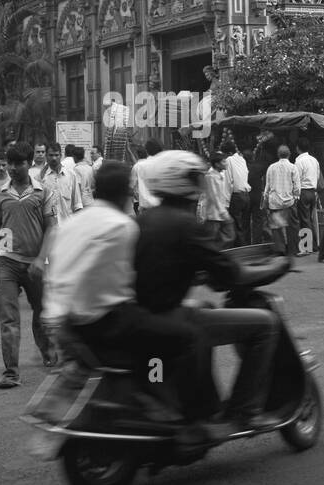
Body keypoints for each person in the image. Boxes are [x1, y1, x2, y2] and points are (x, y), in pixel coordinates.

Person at [43, 161, 215, 430]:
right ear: (126, 194)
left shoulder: (69, 224)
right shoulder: (123, 226)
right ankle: (168, 400)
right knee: (186, 337)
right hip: (108, 321)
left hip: (67, 322)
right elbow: (139, 279)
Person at [134, 150, 289, 433]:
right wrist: (278, 267)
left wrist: (200, 273)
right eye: (197, 179)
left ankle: (206, 404)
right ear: (184, 182)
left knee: (205, 309)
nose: (201, 186)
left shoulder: (145, 219)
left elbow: (174, 266)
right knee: (266, 326)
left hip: (145, 316)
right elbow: (232, 275)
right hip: (169, 317)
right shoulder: (186, 224)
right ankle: (244, 410)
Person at [0, 142, 57, 387]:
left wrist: (41, 259)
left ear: (29, 164)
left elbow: (51, 227)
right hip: (7, 262)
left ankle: (48, 350)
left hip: (35, 265)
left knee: (42, 313)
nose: (14, 168)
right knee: (8, 319)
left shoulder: (43, 192)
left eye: (20, 163)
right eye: (11, 163)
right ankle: (11, 372)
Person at [263, 144, 300, 256]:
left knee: (277, 227)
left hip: (275, 202)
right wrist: (296, 197)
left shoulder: (271, 167)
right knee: (292, 227)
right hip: (289, 202)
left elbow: (267, 186)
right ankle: (293, 250)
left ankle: (280, 250)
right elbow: (297, 187)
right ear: (289, 154)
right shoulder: (293, 167)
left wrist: (265, 199)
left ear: (278, 155)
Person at [40, 141, 84, 224]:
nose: (54, 158)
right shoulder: (41, 178)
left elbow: (77, 204)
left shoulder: (71, 175)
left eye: (56, 155)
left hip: (67, 226)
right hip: (49, 227)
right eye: (51, 155)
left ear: (61, 156)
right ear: (46, 156)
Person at [294, 138, 322, 254]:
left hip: (303, 192)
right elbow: (318, 175)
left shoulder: (299, 161)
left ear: (298, 148)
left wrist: (295, 195)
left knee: (304, 220)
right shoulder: (314, 160)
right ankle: (314, 246)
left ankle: (307, 247)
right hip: (312, 192)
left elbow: (297, 179)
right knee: (309, 219)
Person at [222, 139, 252, 246]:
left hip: (236, 197)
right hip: (246, 195)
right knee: (245, 225)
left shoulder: (229, 160)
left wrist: (225, 203)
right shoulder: (242, 159)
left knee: (237, 226)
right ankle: (247, 247)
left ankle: (240, 251)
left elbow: (228, 181)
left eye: (224, 155)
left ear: (229, 153)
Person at [203, 151, 234, 248]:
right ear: (217, 164)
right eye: (223, 162)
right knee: (213, 240)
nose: (226, 163)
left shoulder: (221, 174)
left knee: (228, 236)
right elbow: (214, 196)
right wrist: (223, 211)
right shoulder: (210, 176)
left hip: (221, 212)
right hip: (213, 214)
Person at [132, 138, 163, 213]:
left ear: (146, 151)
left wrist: (140, 199)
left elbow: (131, 187)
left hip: (145, 208)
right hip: (162, 208)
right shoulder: (165, 165)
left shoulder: (139, 166)